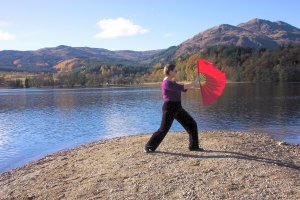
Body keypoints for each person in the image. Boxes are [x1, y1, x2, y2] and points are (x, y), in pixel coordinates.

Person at [144, 63, 204, 153]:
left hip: (177, 107)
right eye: (175, 70)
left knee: (192, 124)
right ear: (170, 71)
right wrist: (195, 82)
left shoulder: (172, 82)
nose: (176, 72)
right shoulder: (166, 83)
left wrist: (193, 88)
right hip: (169, 108)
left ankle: (194, 146)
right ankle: (148, 146)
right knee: (163, 130)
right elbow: (182, 87)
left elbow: (182, 88)